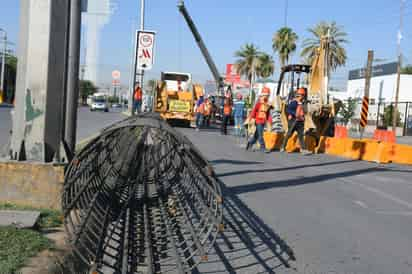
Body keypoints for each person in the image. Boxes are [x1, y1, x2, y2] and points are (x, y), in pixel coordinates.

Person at [281, 88, 310, 154]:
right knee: (289, 134)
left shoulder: (303, 103)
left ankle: (303, 149)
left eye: (303, 95)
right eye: (300, 95)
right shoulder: (294, 102)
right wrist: (294, 114)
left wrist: (303, 117)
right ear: (297, 95)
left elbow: (304, 111)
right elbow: (288, 110)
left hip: (300, 122)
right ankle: (283, 146)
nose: (302, 97)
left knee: (301, 136)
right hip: (293, 121)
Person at [246, 87, 272, 153]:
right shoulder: (258, 103)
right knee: (260, 135)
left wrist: (269, 121)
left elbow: (268, 113)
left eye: (268, 95)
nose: (266, 97)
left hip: (263, 122)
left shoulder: (267, 104)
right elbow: (254, 111)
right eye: (265, 95)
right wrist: (251, 119)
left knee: (256, 135)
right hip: (258, 121)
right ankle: (263, 147)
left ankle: (250, 143)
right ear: (262, 95)